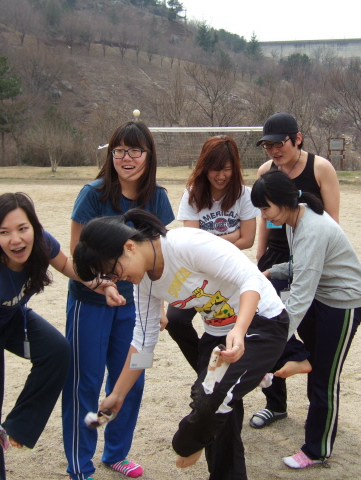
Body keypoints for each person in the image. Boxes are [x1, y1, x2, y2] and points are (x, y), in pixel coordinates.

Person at [72, 209, 289, 480]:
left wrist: (240, 329)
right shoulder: (144, 285)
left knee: (211, 397)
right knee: (215, 414)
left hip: (261, 321)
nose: (115, 280)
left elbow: (251, 279)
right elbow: (143, 341)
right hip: (218, 333)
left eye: (113, 271)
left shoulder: (186, 244)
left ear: (129, 247)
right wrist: (118, 393)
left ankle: (186, 443)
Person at [0, 193, 117, 479]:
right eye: (4, 232)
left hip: (12, 316)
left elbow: (66, 265)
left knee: (57, 351)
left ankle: (19, 427)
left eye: (22, 228)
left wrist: (98, 283)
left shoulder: (41, 241)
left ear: (34, 228)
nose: (15, 239)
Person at [62, 122, 174, 480]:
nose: (127, 158)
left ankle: (116, 453)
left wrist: (161, 306)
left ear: (148, 155)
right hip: (91, 303)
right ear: (110, 155)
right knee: (85, 381)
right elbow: (77, 253)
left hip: (137, 307)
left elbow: (161, 257)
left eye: (135, 151)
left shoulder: (157, 197)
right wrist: (101, 285)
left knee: (132, 378)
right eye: (119, 151)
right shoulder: (93, 194)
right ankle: (80, 465)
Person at [251, 170, 361, 469]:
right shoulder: (295, 219)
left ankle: (317, 450)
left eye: (265, 208)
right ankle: (304, 385)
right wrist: (271, 272)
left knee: (325, 376)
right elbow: (301, 264)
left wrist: (275, 342)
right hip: (321, 294)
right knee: (315, 362)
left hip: (342, 303)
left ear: (283, 202)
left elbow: (301, 296)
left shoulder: (312, 228)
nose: (264, 216)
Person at [250, 112, 340, 429]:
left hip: (309, 256)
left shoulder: (320, 168)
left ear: (297, 139)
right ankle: (275, 404)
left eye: (280, 143)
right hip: (275, 257)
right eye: (268, 145)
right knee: (270, 328)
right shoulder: (266, 171)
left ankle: (319, 409)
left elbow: (331, 222)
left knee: (314, 333)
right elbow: (264, 219)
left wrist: (317, 263)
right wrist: (261, 256)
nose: (274, 151)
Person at [165, 135, 260, 370]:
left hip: (229, 268)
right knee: (175, 321)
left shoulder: (244, 194)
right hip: (196, 271)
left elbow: (248, 240)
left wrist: (210, 244)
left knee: (235, 322)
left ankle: (239, 370)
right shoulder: (192, 194)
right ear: (204, 168)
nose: (221, 176)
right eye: (215, 169)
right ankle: (203, 367)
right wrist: (233, 235)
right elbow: (192, 245)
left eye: (227, 169)